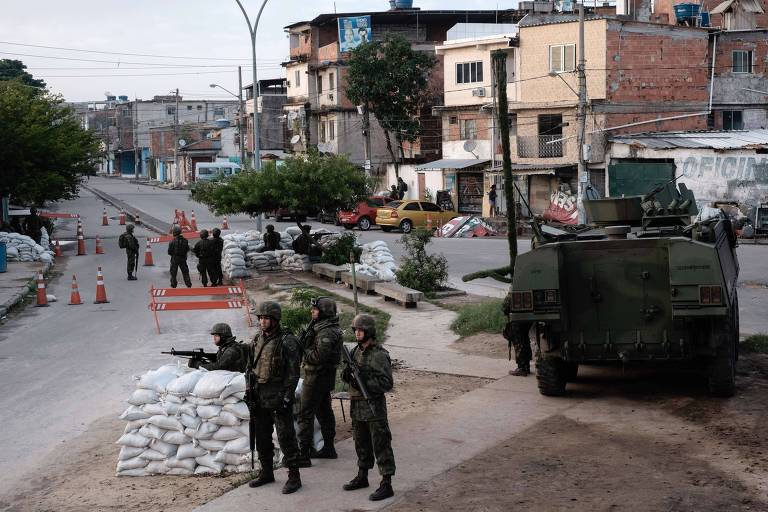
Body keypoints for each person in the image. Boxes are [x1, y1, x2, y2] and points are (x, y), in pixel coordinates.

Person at [246, 301, 303, 494]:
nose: (262, 321)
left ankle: (294, 476)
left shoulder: (288, 341)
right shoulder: (257, 339)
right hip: (260, 395)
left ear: (275, 319)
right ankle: (267, 472)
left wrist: (287, 397)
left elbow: (293, 373)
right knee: (262, 437)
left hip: (278, 395)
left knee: (286, 437)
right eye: (260, 318)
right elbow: (251, 367)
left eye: (266, 318)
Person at [341, 314, 396, 502]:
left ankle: (386, 483)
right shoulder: (355, 351)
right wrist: (348, 376)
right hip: (357, 406)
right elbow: (348, 374)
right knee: (360, 443)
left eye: (360, 330)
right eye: (355, 330)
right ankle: (362, 475)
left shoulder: (379, 354)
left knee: (381, 444)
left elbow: (387, 383)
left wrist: (364, 382)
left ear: (369, 332)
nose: (357, 333)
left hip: (373, 407)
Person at [296, 297, 343, 467]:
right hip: (322, 377)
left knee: (305, 414)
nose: (312, 312)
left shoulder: (326, 332)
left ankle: (304, 454)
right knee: (324, 412)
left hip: (317, 377)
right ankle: (329, 448)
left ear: (324, 312)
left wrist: (304, 349)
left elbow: (318, 357)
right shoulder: (321, 327)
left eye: (315, 310)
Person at [502, 291, 532, 376]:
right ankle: (526, 366)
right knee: (525, 340)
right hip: (528, 318)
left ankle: (521, 368)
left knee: (519, 342)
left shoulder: (514, 289)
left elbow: (505, 307)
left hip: (517, 319)